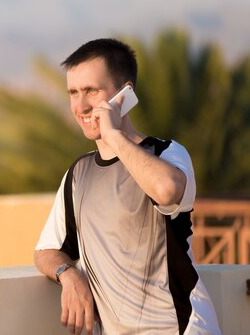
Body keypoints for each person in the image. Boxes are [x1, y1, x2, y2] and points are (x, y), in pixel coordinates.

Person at [34, 39, 221, 335]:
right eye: (73, 93)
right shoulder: (77, 174)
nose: (81, 106)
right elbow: (45, 250)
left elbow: (167, 190)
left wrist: (114, 137)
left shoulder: (166, 153)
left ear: (125, 93)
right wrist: (68, 275)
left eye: (92, 91)